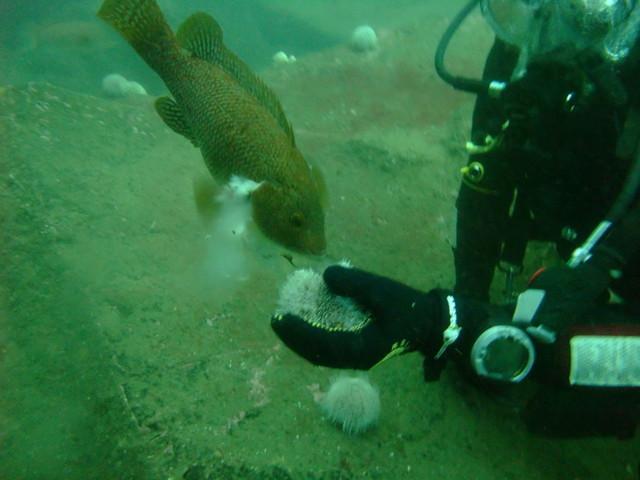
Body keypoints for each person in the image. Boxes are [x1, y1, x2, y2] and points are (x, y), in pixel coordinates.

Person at [271, 0, 640, 438]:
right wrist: (463, 306)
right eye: (532, 9)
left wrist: (510, 346)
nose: (553, 33)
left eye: (583, 14)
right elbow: (485, 174)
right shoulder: (518, 57)